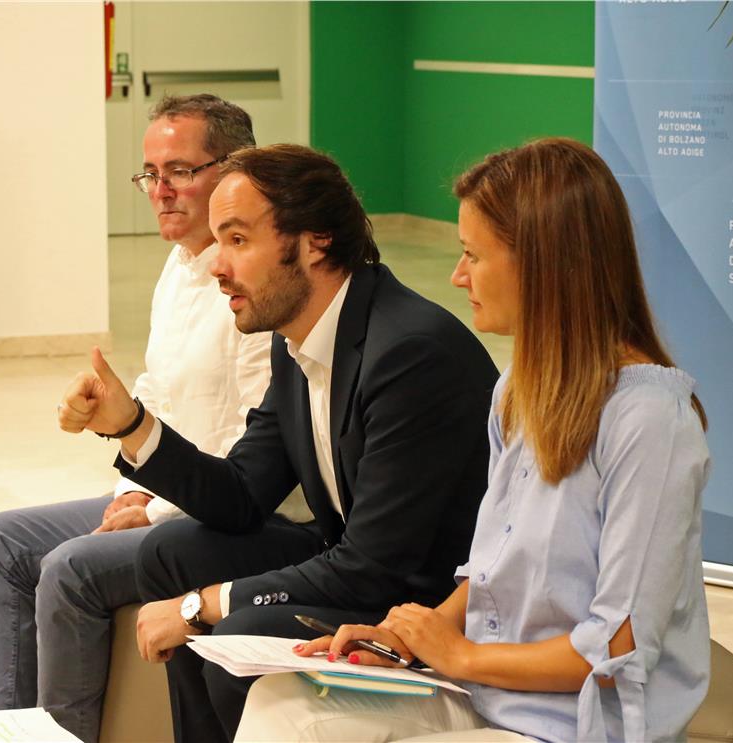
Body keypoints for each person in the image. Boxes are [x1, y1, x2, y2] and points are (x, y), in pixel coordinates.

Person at [236, 137, 712, 742]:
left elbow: (618, 646)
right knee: (281, 702)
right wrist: (407, 638)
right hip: (489, 695)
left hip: (573, 727)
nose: (457, 275)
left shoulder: (649, 420)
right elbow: (489, 572)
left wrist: (460, 656)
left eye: (473, 255)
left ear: (543, 264)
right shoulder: (518, 389)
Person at [57, 143, 501, 742]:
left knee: (236, 628)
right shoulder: (296, 335)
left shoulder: (409, 353)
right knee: (169, 551)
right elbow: (243, 494)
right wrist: (131, 423)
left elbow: (373, 569)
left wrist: (200, 606)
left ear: (315, 241)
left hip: (419, 604)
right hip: (360, 565)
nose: (216, 265)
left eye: (238, 240)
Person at [0, 94, 311, 743]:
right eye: (150, 174)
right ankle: (0, 730)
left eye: (179, 171)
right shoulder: (179, 268)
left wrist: (153, 509)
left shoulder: (261, 287)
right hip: (168, 494)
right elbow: (160, 393)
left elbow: (254, 457)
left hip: (239, 515)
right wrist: (129, 479)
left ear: (235, 170)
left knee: (70, 568)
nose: (160, 190)